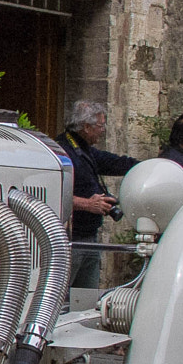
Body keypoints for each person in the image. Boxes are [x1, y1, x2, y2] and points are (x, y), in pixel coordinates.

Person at [57, 100, 140, 291]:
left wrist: (152, 166)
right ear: (86, 127)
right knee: (60, 298)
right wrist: (87, 204)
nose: (103, 131)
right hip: (70, 239)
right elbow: (52, 192)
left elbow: (116, 163)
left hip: (90, 237)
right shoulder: (61, 152)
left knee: (86, 299)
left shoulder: (86, 150)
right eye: (100, 126)